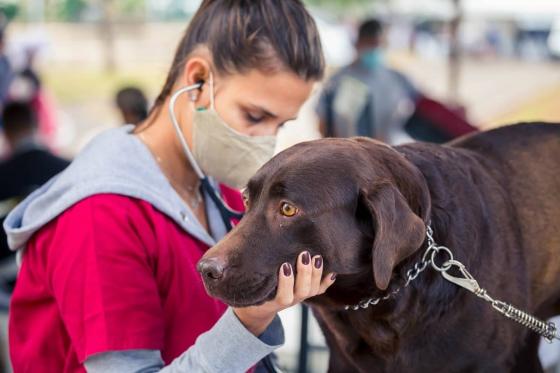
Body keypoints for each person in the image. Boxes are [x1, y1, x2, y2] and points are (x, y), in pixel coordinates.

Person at [3, 1, 334, 372]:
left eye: (281, 125)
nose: (265, 141)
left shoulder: (217, 191)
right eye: (256, 116)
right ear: (197, 79)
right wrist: (248, 322)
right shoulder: (100, 216)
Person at [316, 18, 418, 144]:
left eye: (378, 44)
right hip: (350, 155)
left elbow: (421, 106)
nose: (374, 49)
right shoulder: (337, 81)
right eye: (370, 44)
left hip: (391, 152)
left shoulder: (397, 78)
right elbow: (322, 122)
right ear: (357, 44)